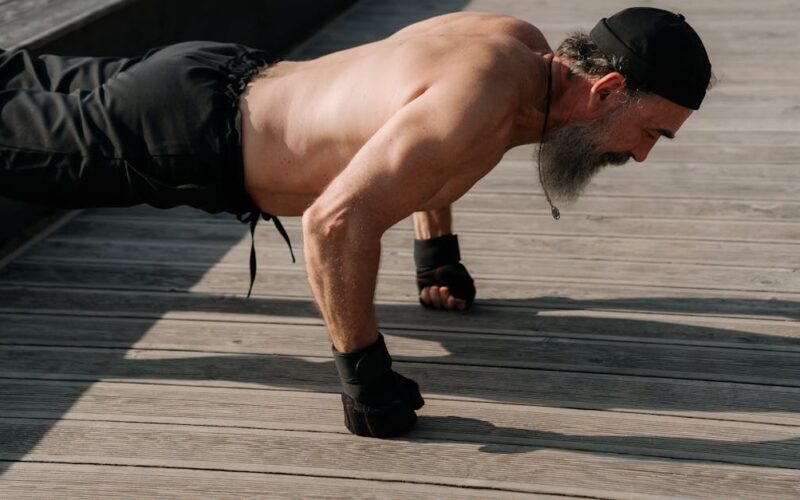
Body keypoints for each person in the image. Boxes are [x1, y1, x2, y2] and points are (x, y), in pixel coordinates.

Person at [0, 7, 712, 437]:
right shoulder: (485, 102)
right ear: (609, 89)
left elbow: (415, 139)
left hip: (213, 79)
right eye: (650, 132)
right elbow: (335, 222)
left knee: (16, 74)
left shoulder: (512, 45)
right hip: (182, 136)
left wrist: (436, 250)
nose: (642, 156)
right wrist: (365, 378)